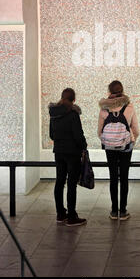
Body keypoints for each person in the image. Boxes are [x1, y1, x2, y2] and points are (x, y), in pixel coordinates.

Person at [98, 80, 140, 220]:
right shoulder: (129, 107)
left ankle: (113, 211)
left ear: (109, 92)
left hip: (109, 147)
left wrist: (109, 139)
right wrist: (130, 139)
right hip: (126, 146)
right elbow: (136, 129)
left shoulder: (104, 109)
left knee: (113, 177)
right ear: (122, 91)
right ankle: (123, 211)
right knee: (124, 177)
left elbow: (99, 131)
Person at [49, 88, 87, 226]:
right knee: (71, 184)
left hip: (58, 152)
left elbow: (52, 135)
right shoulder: (73, 114)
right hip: (72, 153)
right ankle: (71, 216)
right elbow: (78, 135)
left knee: (59, 181)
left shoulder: (53, 113)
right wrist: (84, 145)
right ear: (74, 100)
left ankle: (60, 214)